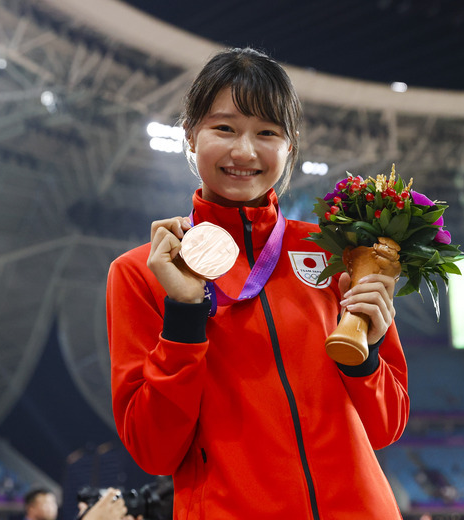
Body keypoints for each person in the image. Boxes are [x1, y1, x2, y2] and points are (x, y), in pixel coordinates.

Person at [107, 47, 409, 519]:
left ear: (289, 148)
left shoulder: (335, 251)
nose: (245, 151)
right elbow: (154, 450)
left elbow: (388, 425)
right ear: (190, 135)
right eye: (224, 127)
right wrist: (184, 315)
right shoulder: (141, 272)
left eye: (267, 133)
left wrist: (365, 355)